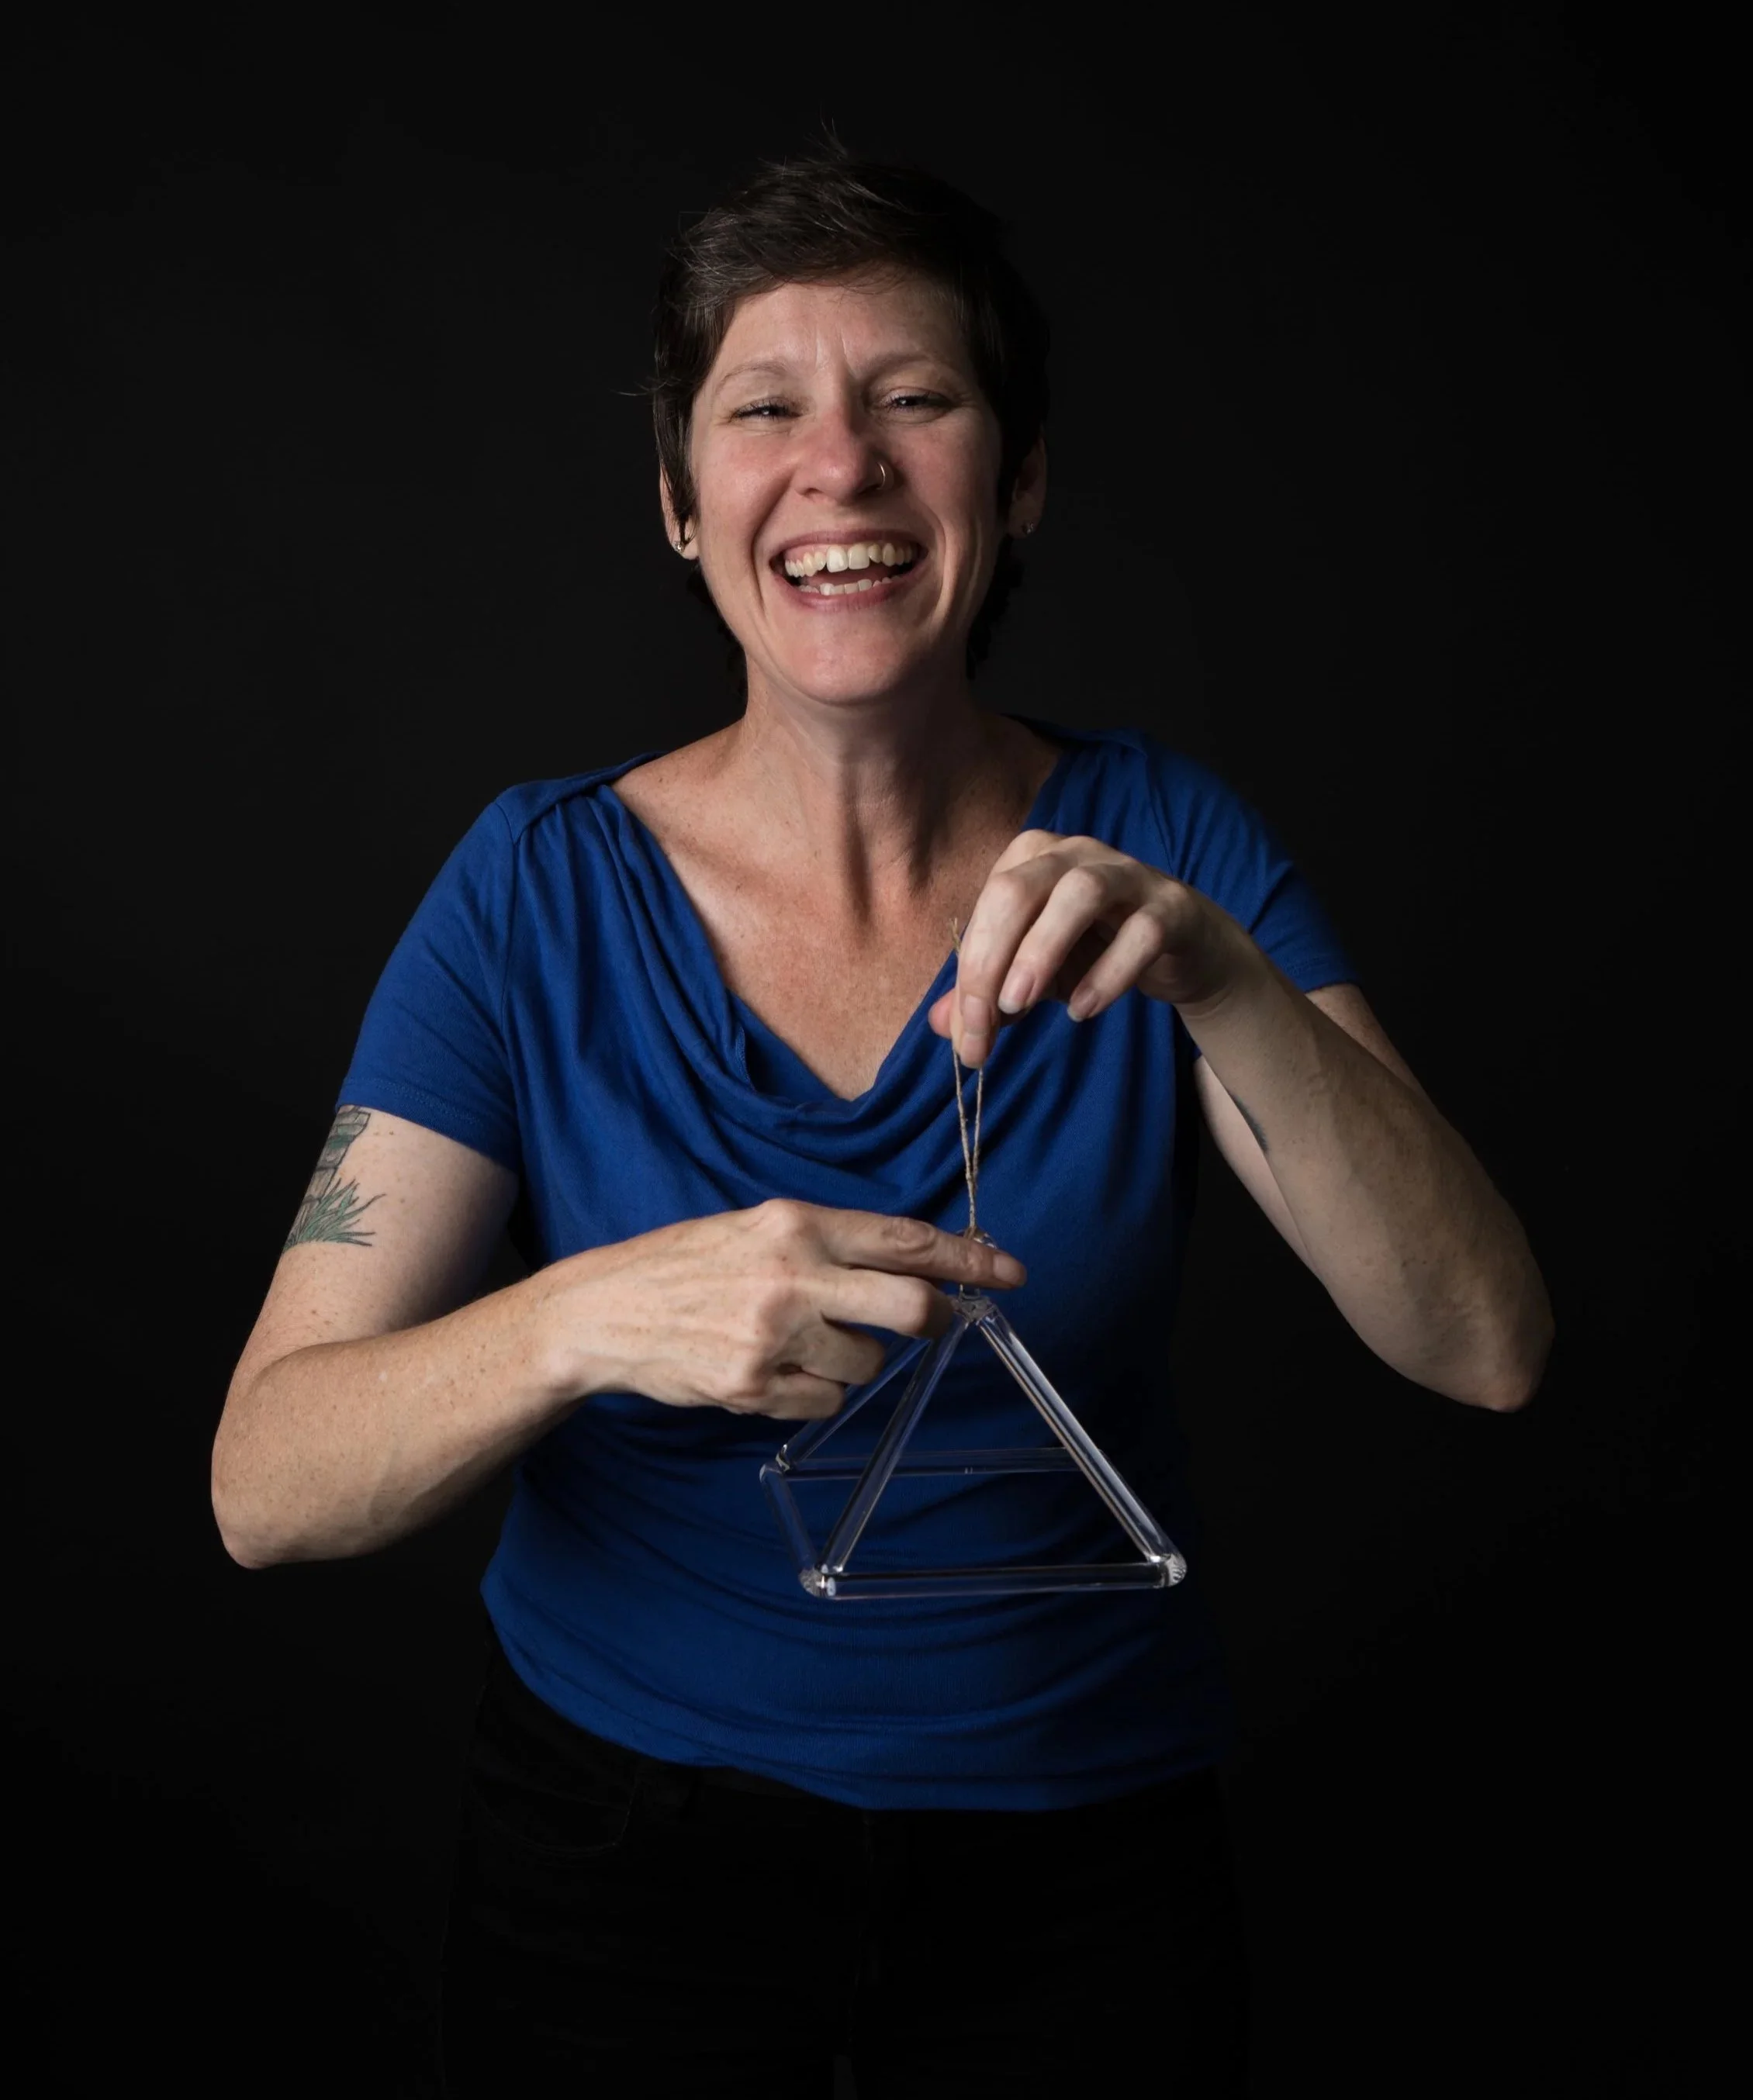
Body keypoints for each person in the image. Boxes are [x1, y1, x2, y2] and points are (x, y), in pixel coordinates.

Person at [211, 141, 1553, 2098]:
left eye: (912, 399)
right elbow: (264, 1482)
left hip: (1086, 1871)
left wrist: (1221, 983)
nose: (837, 466)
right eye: (764, 409)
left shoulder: (1167, 851)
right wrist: (600, 1314)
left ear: (1013, 486)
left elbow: (1487, 1346)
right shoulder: (531, 890)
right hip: (620, 1871)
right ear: (683, 505)